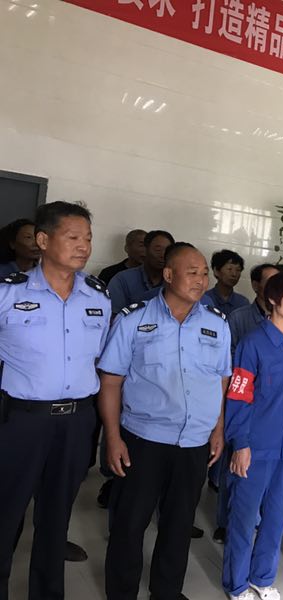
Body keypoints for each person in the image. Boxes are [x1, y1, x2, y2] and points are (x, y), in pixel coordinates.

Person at [97, 242, 230, 600]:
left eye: (205, 273)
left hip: (194, 443)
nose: (201, 280)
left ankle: (166, 592)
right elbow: (111, 382)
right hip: (144, 440)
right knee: (129, 525)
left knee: (179, 525)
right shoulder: (134, 319)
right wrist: (113, 437)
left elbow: (220, 380)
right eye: (192, 272)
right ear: (169, 275)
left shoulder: (217, 324)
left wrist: (218, 428)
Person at [0, 201, 111, 600]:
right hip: (21, 421)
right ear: (44, 241)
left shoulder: (98, 297)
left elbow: (99, 358)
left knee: (56, 518)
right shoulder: (8, 294)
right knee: (6, 513)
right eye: (73, 237)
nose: (84, 246)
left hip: (77, 422)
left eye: (88, 238)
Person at [223, 271, 283, 600]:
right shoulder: (253, 344)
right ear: (273, 299)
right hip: (256, 447)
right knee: (244, 518)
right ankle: (237, 585)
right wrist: (241, 443)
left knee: (277, 518)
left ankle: (262, 578)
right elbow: (239, 396)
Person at [211, 262, 283, 545]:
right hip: (242, 404)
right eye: (270, 282)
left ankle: (255, 523)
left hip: (273, 410)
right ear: (257, 286)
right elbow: (228, 364)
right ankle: (225, 522)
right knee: (233, 468)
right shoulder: (240, 318)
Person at [107, 229, 174, 314]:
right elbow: (113, 316)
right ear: (145, 250)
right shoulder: (122, 280)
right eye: (158, 250)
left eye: (167, 251)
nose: (163, 255)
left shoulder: (176, 282)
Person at [202, 249, 249, 316]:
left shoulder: (243, 303)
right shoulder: (204, 299)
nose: (234, 274)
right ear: (216, 271)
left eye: (238, 270)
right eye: (229, 269)